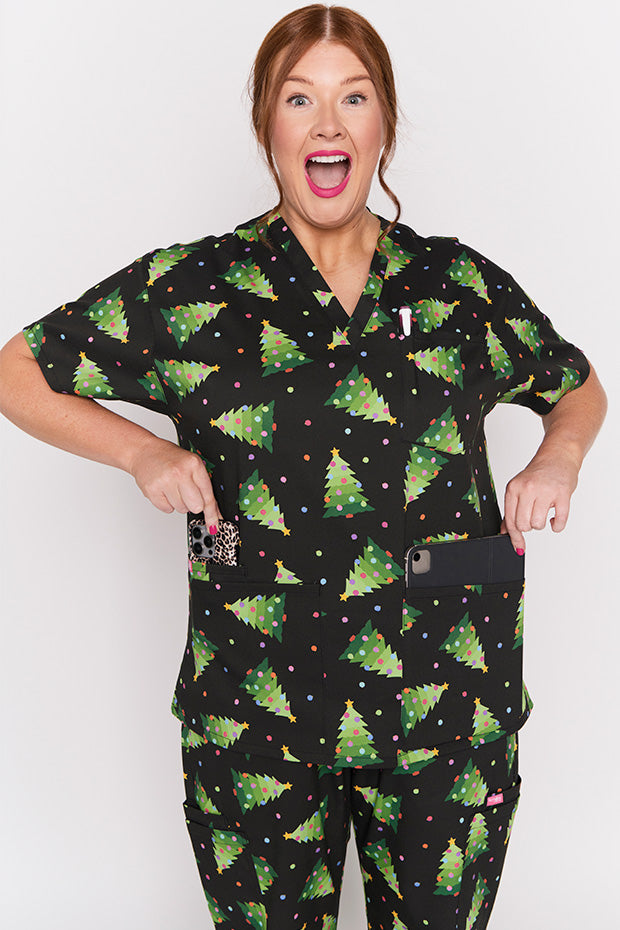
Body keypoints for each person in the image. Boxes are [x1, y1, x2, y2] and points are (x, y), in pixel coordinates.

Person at [0, 4, 607, 928]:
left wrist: (558, 458)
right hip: (257, 710)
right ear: (267, 127)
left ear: (383, 123)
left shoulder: (459, 288)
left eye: (353, 98)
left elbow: (576, 387)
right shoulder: (193, 289)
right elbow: (19, 370)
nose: (328, 123)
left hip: (446, 707)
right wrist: (140, 451)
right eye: (299, 99)